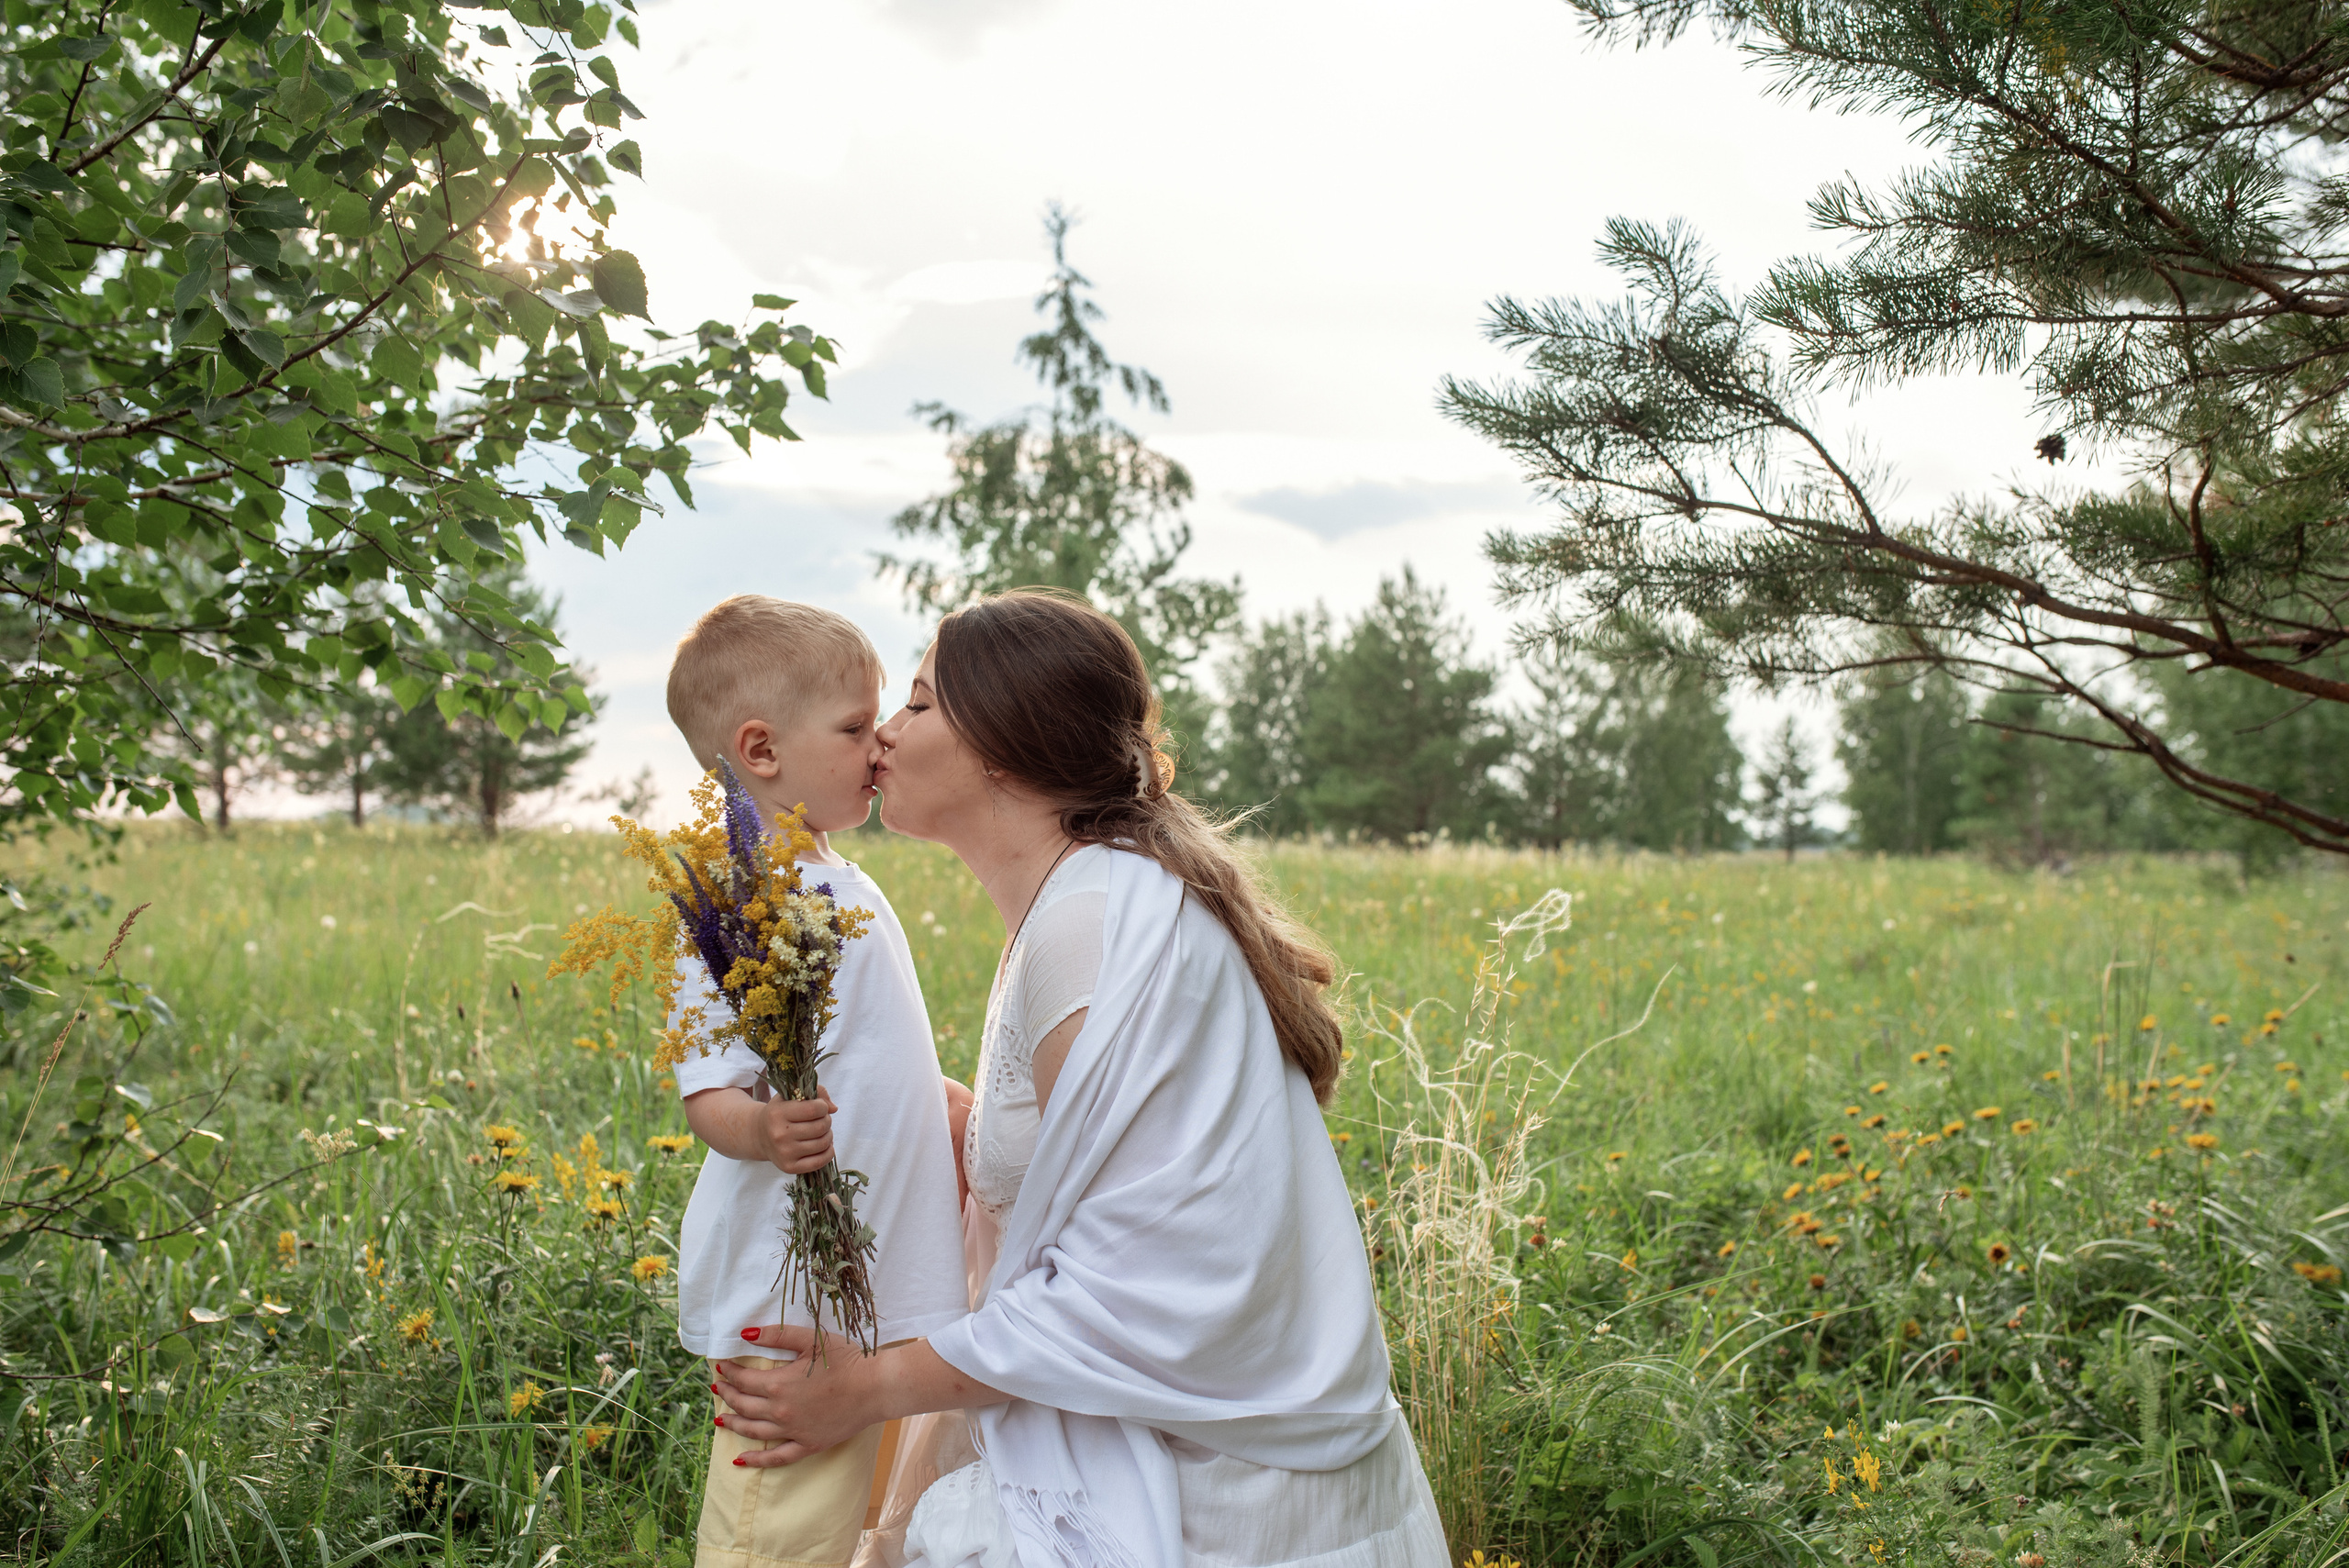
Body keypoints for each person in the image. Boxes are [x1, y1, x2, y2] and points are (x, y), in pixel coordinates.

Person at [709, 589, 1446, 1568]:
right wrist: (934, 1116)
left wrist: (868, 1386)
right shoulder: (1076, 903)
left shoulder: (1096, 927)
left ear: (1004, 749)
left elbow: (1151, 1278)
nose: (883, 732)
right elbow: (1090, 1171)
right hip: (1160, 1438)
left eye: (919, 703)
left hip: (1231, 1497)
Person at [663, 596, 970, 1568]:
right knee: (777, 1539)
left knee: (849, 1533)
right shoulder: (738, 897)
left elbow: (864, 1053)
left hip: (866, 1285)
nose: (881, 741)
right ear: (760, 747)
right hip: (792, 1293)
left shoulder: (834, 878)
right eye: (852, 725)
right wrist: (760, 1132)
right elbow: (710, 1085)